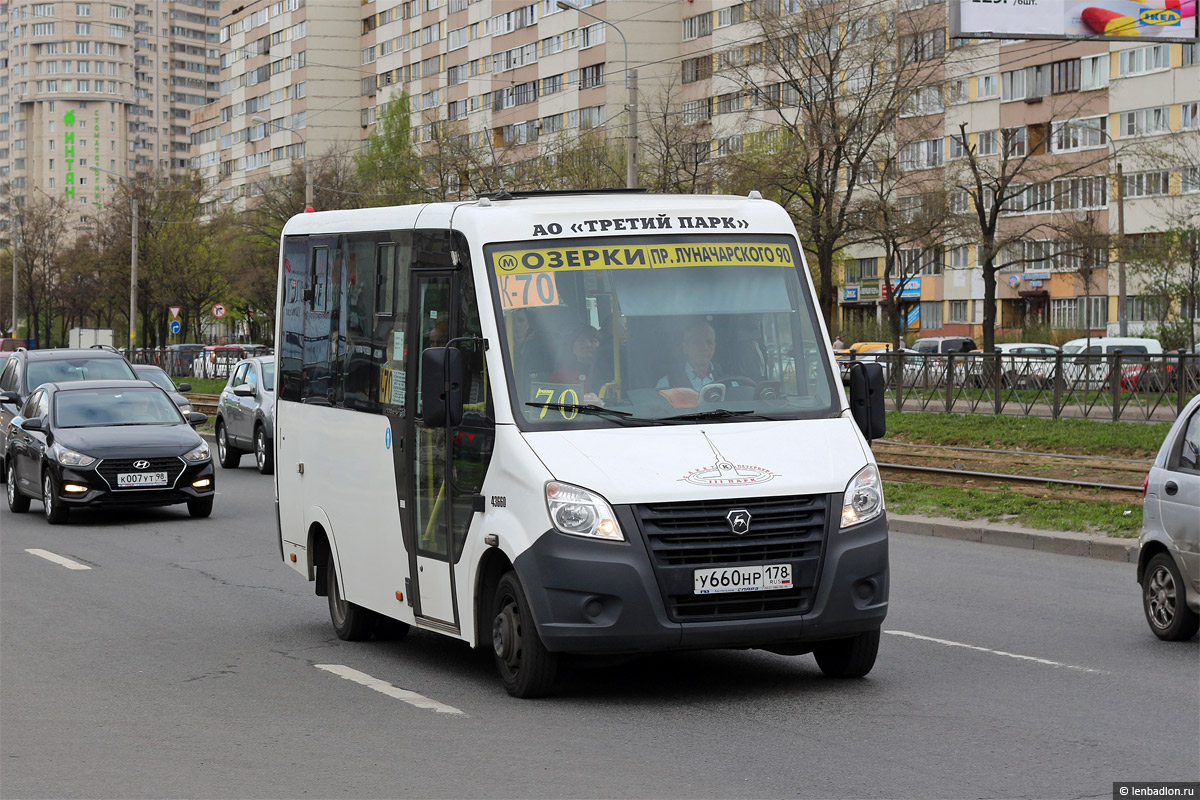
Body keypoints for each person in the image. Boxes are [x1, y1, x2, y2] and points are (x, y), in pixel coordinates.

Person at [657, 320, 721, 391]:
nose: (704, 347)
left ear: (714, 347)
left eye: (709, 342)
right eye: (697, 342)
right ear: (685, 347)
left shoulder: (728, 383)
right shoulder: (667, 384)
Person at [550, 325, 602, 394]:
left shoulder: (608, 372)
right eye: (581, 341)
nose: (587, 345)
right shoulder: (561, 374)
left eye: (593, 341)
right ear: (572, 348)